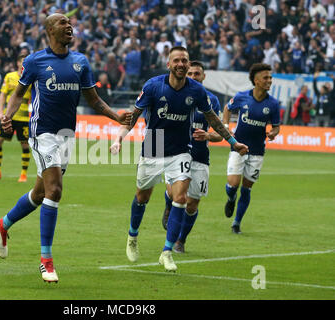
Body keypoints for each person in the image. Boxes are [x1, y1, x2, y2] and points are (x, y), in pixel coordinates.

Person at [0, 13, 132, 283]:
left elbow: (94, 100)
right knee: (55, 190)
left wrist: (117, 117)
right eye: (63, 23)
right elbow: (18, 93)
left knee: (41, 190)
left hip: (67, 134)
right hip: (42, 132)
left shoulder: (81, 62)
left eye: (70, 23)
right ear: (49, 30)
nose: (70, 26)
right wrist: (7, 116)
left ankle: (3, 224)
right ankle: (46, 260)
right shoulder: (34, 61)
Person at [110, 46, 248, 272]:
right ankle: (132, 236)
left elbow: (213, 119)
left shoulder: (196, 91)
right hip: (154, 143)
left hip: (182, 149)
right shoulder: (154, 86)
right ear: (169, 64)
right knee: (142, 196)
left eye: (184, 60)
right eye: (177, 60)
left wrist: (233, 143)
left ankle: (166, 252)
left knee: (181, 197)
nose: (182, 64)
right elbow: (133, 116)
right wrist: (119, 139)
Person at [161, 60, 223, 253]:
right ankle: (168, 203)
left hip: (200, 157)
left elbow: (219, 133)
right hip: (176, 153)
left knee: (192, 203)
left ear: (204, 77)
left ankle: (181, 240)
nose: (194, 77)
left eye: (198, 74)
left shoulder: (211, 100)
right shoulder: (173, 94)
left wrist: (208, 135)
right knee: (175, 195)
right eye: (191, 73)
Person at [223, 63, 281, 234]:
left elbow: (277, 126)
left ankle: (236, 223)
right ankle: (231, 197)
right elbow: (227, 108)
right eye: (266, 78)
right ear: (256, 80)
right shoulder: (242, 97)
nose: (269, 81)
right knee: (233, 184)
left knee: (247, 188)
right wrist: (226, 126)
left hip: (257, 151)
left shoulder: (273, 104)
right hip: (238, 146)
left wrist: (273, 133)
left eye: (270, 77)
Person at [0, 54, 32, 182]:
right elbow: (2, 94)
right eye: (23, 61)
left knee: (25, 145)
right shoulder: (9, 76)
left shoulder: (30, 78)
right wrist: (0, 111)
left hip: (23, 118)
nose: (24, 64)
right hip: (8, 116)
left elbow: (34, 97)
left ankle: (23, 174)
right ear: (17, 63)